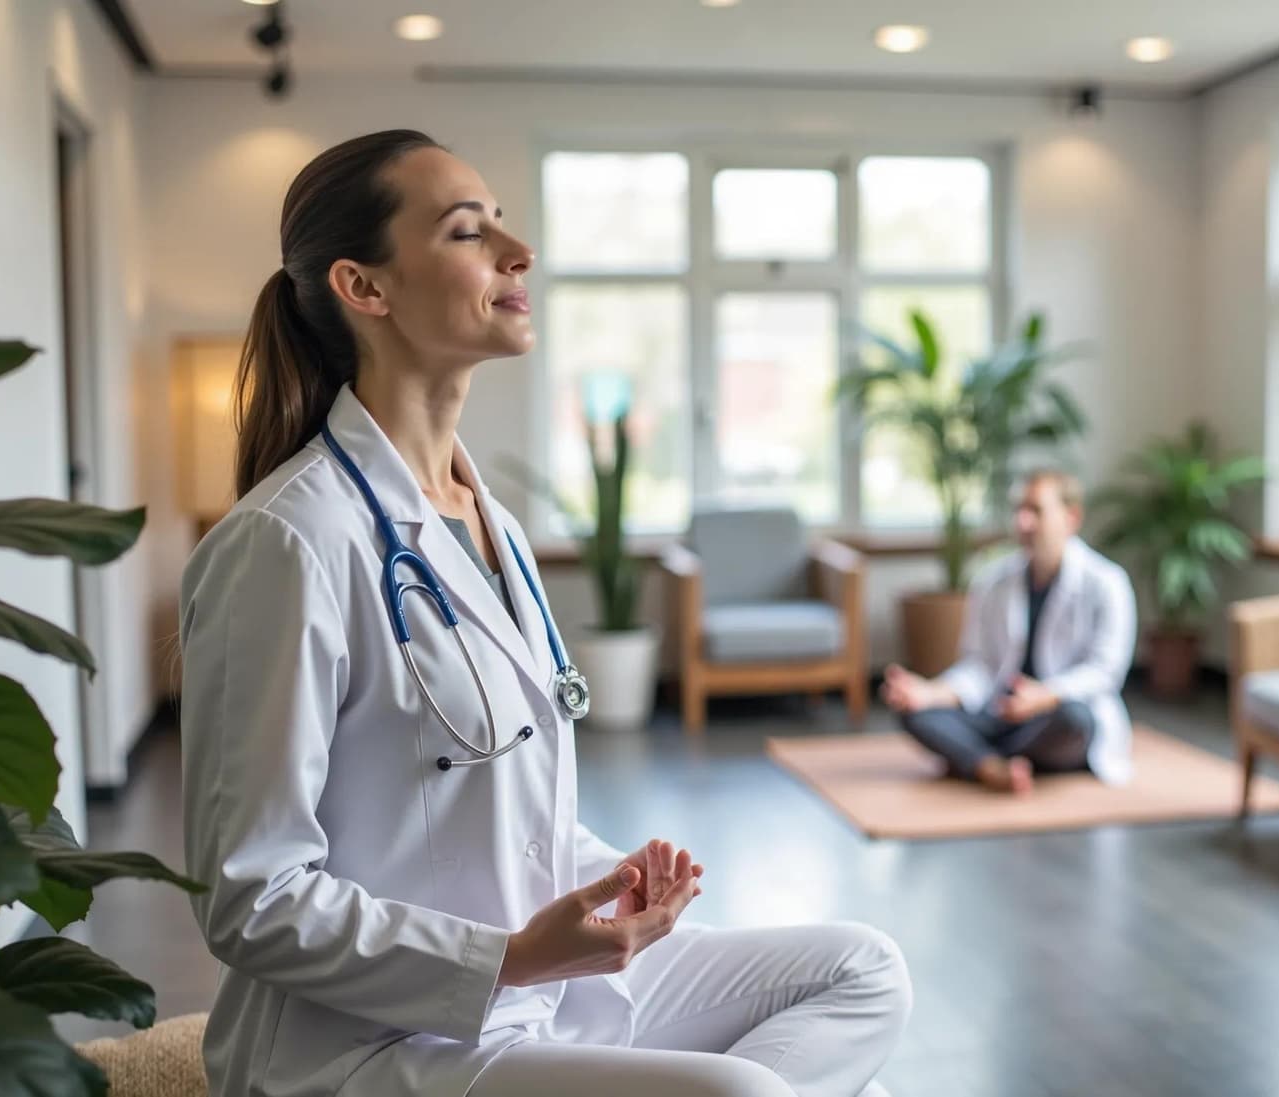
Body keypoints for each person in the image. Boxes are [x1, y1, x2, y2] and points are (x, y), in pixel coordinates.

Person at [179, 130, 909, 1097]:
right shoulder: (288, 541)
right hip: (373, 1046)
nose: (519, 252)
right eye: (468, 231)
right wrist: (510, 956)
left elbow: (497, 806)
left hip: (541, 988)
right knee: (748, 1091)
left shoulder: (491, 523)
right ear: (366, 287)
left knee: (861, 970)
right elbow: (252, 899)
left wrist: (609, 883)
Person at [880, 470, 1135, 795]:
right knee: (914, 713)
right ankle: (995, 765)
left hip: (1054, 718)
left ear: (1071, 517)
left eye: (1036, 511)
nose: (1023, 522)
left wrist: (1046, 696)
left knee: (1074, 720)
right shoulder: (992, 580)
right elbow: (980, 666)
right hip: (1001, 714)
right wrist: (932, 692)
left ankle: (977, 758)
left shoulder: (1107, 583)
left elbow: (1105, 672)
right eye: (1019, 511)